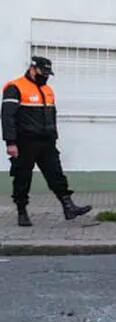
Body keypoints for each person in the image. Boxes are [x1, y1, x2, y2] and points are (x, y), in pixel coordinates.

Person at [2, 56, 91, 227]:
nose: (46, 76)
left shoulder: (48, 90)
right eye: (43, 72)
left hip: (47, 142)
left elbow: (52, 115)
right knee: (22, 178)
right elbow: (7, 117)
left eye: (48, 73)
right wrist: (10, 142)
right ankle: (22, 212)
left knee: (56, 174)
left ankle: (68, 207)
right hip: (24, 142)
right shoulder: (15, 87)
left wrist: (54, 137)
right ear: (32, 68)